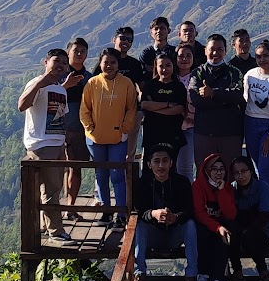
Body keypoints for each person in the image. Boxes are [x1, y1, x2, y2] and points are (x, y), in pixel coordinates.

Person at [16, 48, 72, 241]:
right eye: (56, 61)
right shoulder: (36, 83)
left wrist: (63, 145)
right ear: (46, 62)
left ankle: (44, 226)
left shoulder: (60, 88)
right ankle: (56, 231)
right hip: (42, 144)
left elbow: (60, 118)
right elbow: (22, 105)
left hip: (57, 144)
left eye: (64, 63)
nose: (60, 66)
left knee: (53, 188)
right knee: (51, 189)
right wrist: (41, 82)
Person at [80, 47, 139, 224]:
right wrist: (90, 128)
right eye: (106, 62)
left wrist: (125, 129)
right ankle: (106, 211)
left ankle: (121, 213)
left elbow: (131, 108)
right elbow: (85, 110)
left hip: (117, 139)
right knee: (101, 175)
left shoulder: (126, 83)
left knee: (117, 176)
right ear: (101, 63)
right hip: (95, 139)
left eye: (113, 62)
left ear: (118, 64)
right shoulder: (92, 83)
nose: (109, 66)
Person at [133, 145, 200, 281]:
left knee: (190, 225)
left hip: (175, 233)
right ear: (149, 164)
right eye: (156, 161)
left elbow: (189, 210)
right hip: (152, 234)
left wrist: (175, 217)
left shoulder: (182, 182)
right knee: (139, 226)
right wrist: (154, 214)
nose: (161, 166)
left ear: (171, 163)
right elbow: (138, 211)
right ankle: (140, 275)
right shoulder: (142, 184)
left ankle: (191, 276)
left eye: (165, 161)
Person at [190, 34, 244, 170]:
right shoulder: (197, 73)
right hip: (204, 133)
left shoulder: (235, 73)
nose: (215, 53)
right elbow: (197, 101)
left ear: (225, 51)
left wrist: (212, 93)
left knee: (231, 175)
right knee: (204, 174)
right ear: (205, 51)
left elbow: (237, 97)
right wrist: (225, 98)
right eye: (212, 49)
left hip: (230, 133)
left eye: (220, 49)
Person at [191, 152, 236, 281]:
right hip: (204, 225)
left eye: (221, 169)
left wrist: (222, 191)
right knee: (202, 234)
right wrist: (217, 227)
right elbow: (199, 213)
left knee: (222, 239)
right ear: (206, 170)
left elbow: (230, 214)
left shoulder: (227, 187)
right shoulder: (198, 186)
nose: (218, 173)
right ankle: (202, 274)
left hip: (221, 226)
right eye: (214, 169)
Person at [226, 155, 269, 281]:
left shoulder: (262, 187)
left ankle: (262, 269)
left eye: (244, 171)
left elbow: (264, 215)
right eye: (236, 173)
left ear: (251, 171)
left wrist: (247, 231)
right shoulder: (231, 189)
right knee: (232, 233)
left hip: (260, 229)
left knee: (251, 237)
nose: (241, 176)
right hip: (238, 229)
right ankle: (237, 271)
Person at [242, 39, 269, 181]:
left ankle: (265, 202)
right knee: (256, 164)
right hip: (250, 123)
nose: (262, 59)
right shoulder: (250, 75)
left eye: (266, 55)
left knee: (265, 166)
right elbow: (245, 99)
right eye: (258, 56)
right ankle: (258, 199)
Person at [139, 51, 188, 171]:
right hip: (152, 133)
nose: (164, 69)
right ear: (156, 67)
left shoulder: (178, 87)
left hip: (172, 133)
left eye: (168, 65)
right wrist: (167, 105)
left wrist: (155, 107)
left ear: (173, 66)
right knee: (149, 169)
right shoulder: (150, 86)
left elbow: (180, 109)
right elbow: (145, 104)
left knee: (170, 168)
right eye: (161, 66)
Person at [61, 37, 92, 217]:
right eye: (76, 51)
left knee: (76, 168)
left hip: (81, 129)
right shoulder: (59, 77)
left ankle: (71, 207)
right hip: (61, 130)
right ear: (68, 53)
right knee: (61, 170)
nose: (79, 54)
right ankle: (59, 209)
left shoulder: (89, 79)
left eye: (83, 51)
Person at [174, 43, 199, 180]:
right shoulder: (170, 77)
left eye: (188, 55)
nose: (184, 59)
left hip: (191, 127)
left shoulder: (199, 77)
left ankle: (186, 200)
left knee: (185, 167)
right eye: (181, 56)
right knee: (170, 167)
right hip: (171, 127)